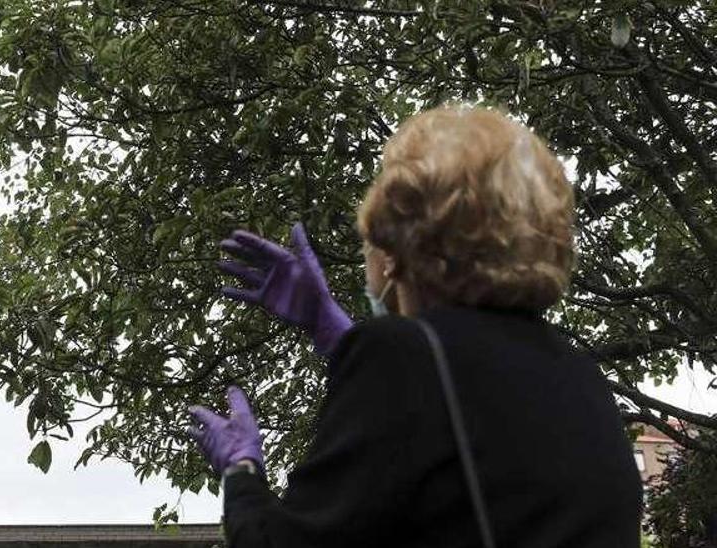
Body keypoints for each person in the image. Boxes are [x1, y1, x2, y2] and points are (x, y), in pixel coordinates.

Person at [189, 106, 643, 547]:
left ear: (394, 251)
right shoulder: (581, 378)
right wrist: (330, 328)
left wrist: (241, 471)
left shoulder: (399, 358)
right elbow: (461, 416)